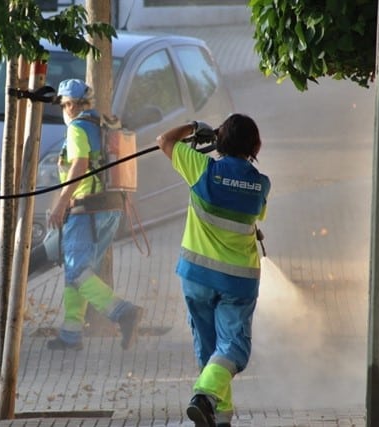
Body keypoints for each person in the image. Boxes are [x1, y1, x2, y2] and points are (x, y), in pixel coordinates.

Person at [156, 114, 270, 427]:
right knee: (232, 347)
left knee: (210, 349)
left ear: (219, 140)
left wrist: (193, 128)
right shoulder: (261, 184)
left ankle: (220, 416)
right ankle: (206, 397)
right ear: (254, 145)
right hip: (238, 281)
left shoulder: (201, 168)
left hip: (196, 276)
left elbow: (164, 141)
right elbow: (257, 212)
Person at [45, 78, 144, 351]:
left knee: (77, 270)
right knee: (79, 273)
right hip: (111, 208)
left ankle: (124, 312)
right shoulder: (104, 123)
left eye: (64, 105)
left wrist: (61, 202)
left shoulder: (77, 127)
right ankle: (71, 334)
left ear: (71, 105)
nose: (63, 111)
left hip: (86, 209)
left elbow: (80, 163)